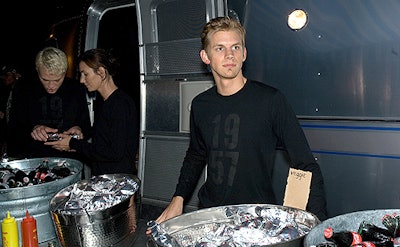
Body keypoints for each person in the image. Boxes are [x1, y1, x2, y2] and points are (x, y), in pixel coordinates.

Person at [148, 16, 327, 229]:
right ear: (205, 57)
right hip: (211, 215)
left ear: (244, 53)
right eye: (220, 49)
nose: (229, 55)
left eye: (235, 47)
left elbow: (305, 164)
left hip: (257, 218)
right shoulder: (201, 105)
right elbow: (196, 155)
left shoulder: (270, 100)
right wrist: (178, 199)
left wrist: (316, 222)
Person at [44, 48, 139, 176]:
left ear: (101, 72)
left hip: (117, 184)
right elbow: (102, 142)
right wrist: (78, 133)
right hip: (107, 180)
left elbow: (114, 153)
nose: (81, 80)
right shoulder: (106, 103)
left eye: (85, 74)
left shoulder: (120, 104)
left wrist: (73, 144)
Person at [7, 47, 92, 159]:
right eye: (45, 80)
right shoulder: (24, 89)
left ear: (64, 73)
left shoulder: (76, 89)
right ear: (37, 70)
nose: (51, 86)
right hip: (32, 159)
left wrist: (79, 129)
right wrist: (33, 129)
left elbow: (86, 127)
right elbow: (13, 129)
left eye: (57, 80)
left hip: (69, 159)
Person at [0, 65, 21, 155]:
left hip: (19, 137)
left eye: (8, 75)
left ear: (16, 75)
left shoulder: (23, 92)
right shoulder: (7, 91)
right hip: (8, 136)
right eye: (4, 76)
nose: (5, 78)